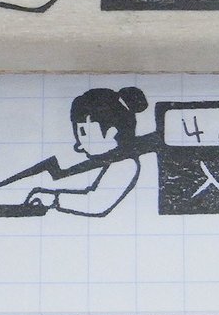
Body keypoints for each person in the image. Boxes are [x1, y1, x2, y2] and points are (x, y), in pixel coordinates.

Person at [25, 87, 149, 217]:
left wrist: (53, 199)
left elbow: (97, 203)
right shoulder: (101, 160)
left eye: (83, 132)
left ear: (111, 131)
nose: (79, 144)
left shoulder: (125, 164)